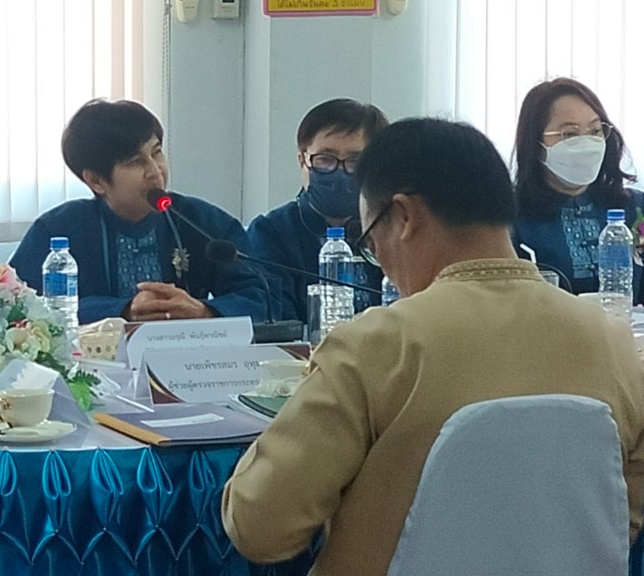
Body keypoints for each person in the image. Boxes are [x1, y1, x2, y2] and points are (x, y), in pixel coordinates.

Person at [221, 118, 644, 575]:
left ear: (403, 216)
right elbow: (618, 518)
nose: (380, 259)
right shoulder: (614, 342)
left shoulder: (373, 346)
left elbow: (259, 527)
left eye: (371, 240)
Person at [9, 99, 266, 324]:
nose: (155, 171)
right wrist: (122, 310)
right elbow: (15, 305)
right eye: (135, 162)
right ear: (96, 181)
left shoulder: (202, 221)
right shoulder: (57, 230)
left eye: (157, 153)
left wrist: (205, 311)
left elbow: (263, 296)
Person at [246, 98, 389, 321]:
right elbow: (275, 320)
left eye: (354, 161)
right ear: (302, 160)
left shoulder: (393, 230)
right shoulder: (269, 232)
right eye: (325, 159)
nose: (339, 171)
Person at [510, 77, 644, 300]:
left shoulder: (635, 207)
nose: (587, 143)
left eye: (595, 131)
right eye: (569, 134)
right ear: (536, 144)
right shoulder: (510, 217)